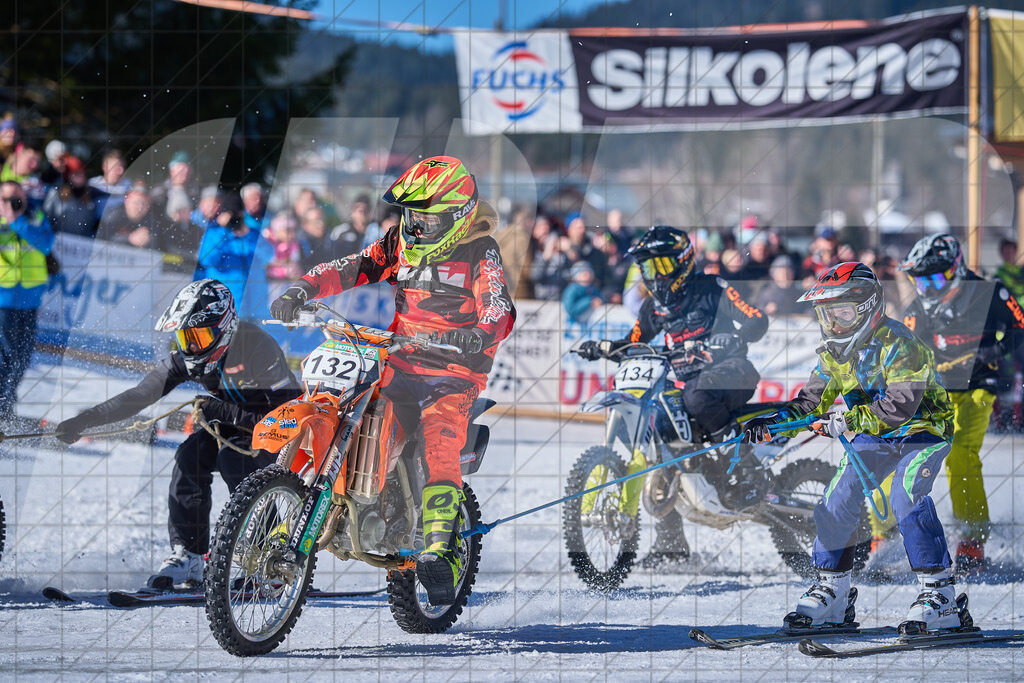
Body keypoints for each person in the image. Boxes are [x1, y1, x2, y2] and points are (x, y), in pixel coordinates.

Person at [270, 156, 515, 606]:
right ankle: (305, 500)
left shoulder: (482, 251)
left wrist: (477, 332)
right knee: (342, 403)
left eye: (427, 217)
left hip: (452, 370)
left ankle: (440, 548)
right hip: (398, 358)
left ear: (458, 216)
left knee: (439, 438)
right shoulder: (400, 241)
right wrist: (302, 288)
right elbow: (353, 265)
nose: (416, 226)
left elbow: (500, 308)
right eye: (412, 215)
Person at [743, 262, 962, 633]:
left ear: (868, 308)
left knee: (905, 494)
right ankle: (834, 591)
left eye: (842, 313)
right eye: (828, 314)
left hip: (923, 430)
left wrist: (846, 421)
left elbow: (900, 406)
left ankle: (939, 594)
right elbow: (810, 401)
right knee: (837, 497)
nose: (835, 323)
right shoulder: (833, 353)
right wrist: (772, 425)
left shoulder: (901, 343)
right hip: (875, 434)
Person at [54, 280, 301, 587]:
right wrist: (84, 420)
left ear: (224, 327)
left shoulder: (256, 346)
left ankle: (272, 561)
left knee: (233, 462)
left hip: (280, 433)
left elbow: (288, 415)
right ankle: (191, 556)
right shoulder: (188, 357)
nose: (192, 346)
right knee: (188, 456)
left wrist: (222, 411)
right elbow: (138, 395)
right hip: (230, 428)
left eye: (198, 335)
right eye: (184, 337)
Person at [577, 226, 768, 568]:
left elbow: (757, 318)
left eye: (662, 266)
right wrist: (604, 348)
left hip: (732, 372)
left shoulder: (712, 288)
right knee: (661, 435)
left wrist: (734, 338)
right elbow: (633, 341)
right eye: (649, 268)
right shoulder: (654, 308)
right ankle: (672, 546)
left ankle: (750, 469)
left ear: (682, 262)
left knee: (696, 396)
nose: (656, 275)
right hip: (691, 383)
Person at [891, 235, 1024, 574]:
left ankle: (973, 538)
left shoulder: (992, 292)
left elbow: (1020, 327)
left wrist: (997, 349)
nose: (928, 288)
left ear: (956, 268)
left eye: (934, 279)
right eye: (920, 281)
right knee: (898, 445)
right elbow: (906, 350)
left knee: (961, 451)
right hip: (938, 389)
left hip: (980, 385)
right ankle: (880, 533)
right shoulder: (919, 307)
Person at [0, 181, 54, 423]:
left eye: (16, 198)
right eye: (6, 199)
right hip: (3, 298)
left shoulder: (35, 216)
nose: (12, 203)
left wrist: (17, 220)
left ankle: (7, 401)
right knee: (4, 358)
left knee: (22, 358)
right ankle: (3, 407)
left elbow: (46, 244)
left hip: (30, 300)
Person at [42, 156, 99, 237]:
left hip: (78, 246)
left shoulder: (88, 199)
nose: (79, 178)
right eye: (75, 174)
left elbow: (89, 228)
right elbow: (45, 219)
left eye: (81, 174)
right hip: (55, 243)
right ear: (68, 176)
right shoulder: (55, 194)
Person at [562, 261, 603, 325]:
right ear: (577, 276)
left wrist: (600, 301)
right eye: (585, 274)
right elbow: (571, 310)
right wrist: (589, 301)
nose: (588, 276)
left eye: (590, 273)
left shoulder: (593, 288)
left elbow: (601, 298)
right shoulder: (572, 289)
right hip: (574, 326)